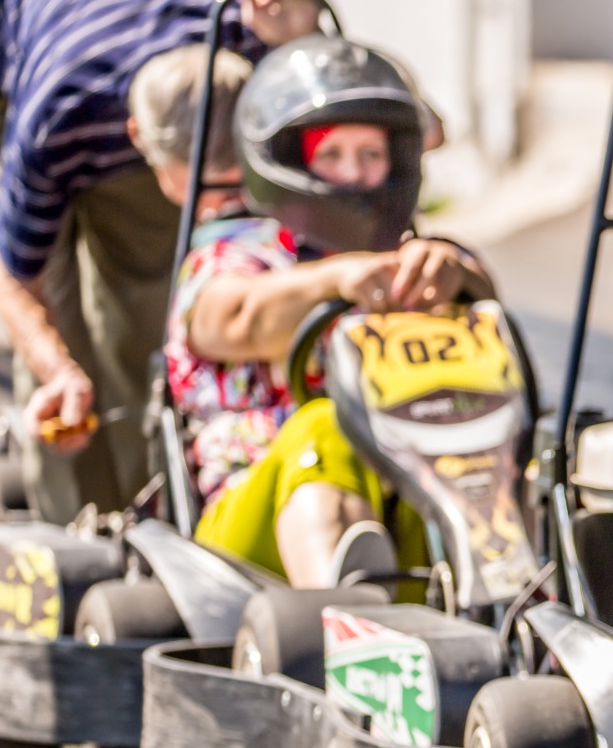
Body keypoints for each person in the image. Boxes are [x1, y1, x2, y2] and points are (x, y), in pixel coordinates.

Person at [161, 36, 490, 586]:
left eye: (371, 155)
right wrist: (339, 278)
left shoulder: (415, 259)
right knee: (326, 424)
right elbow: (231, 318)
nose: (357, 175)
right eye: (332, 155)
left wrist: (457, 276)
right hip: (243, 544)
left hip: (407, 500)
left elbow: (489, 323)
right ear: (292, 162)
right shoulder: (237, 255)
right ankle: (344, 624)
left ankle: (528, 611)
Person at [0, 0, 321, 523]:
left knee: (145, 294)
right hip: (33, 50)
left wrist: (299, 17)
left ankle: (155, 503)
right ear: (137, 138)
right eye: (204, 185)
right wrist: (61, 373)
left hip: (168, 54)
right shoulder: (52, 123)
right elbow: (13, 279)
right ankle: (80, 527)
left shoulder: (253, 35)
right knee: (55, 311)